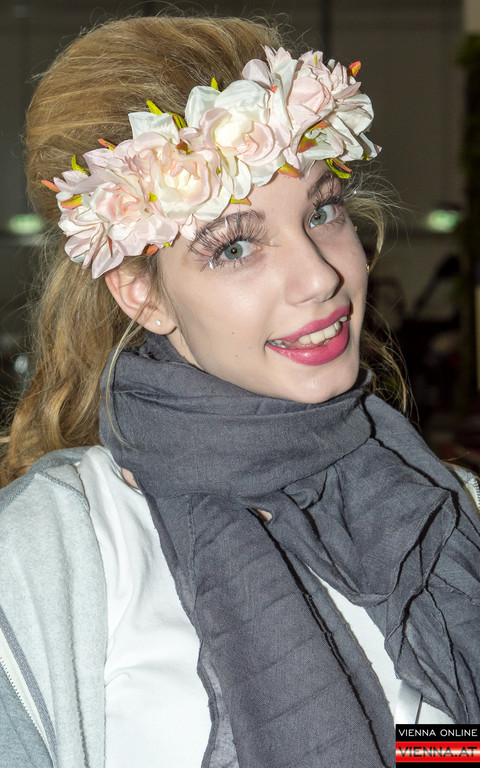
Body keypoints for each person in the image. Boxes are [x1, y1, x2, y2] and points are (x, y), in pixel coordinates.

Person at [1, 13, 479, 768]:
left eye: (322, 212)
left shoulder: (443, 506)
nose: (320, 277)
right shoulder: (55, 551)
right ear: (141, 294)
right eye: (235, 247)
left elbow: (434, 739)